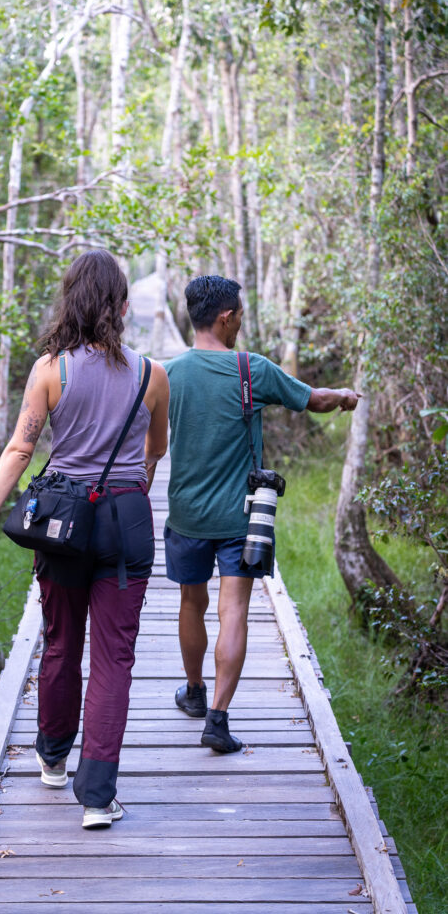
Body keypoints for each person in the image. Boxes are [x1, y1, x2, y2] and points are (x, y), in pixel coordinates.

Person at [0, 249, 169, 829]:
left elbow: (21, 449)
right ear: (125, 307)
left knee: (60, 643)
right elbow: (156, 451)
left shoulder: (50, 370)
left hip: (61, 521)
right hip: (127, 520)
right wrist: (135, 486)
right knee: (115, 657)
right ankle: (98, 797)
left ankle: (53, 757)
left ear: (71, 302)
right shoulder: (154, 375)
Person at [164, 275, 359, 753]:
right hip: (241, 519)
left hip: (186, 513)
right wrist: (344, 397)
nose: (240, 325)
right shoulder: (253, 370)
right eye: (240, 317)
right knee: (234, 612)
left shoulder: (167, 373)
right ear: (226, 317)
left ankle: (193, 692)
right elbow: (313, 399)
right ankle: (218, 719)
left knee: (192, 604)